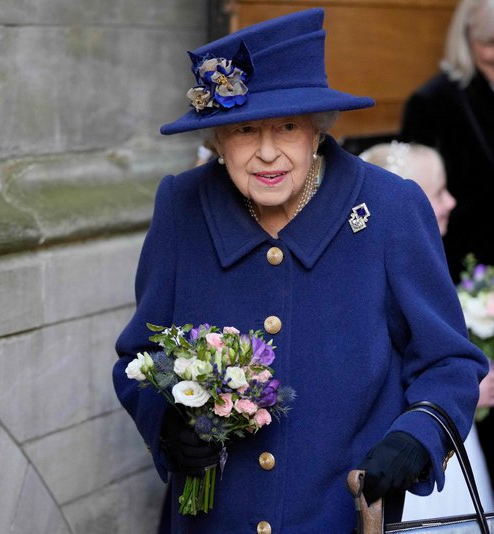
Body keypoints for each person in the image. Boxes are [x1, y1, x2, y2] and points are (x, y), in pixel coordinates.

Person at [113, 9, 489, 533]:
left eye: (287, 126)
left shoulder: (390, 210)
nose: (268, 153)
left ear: (317, 130)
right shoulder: (182, 207)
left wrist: (417, 436)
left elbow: (449, 362)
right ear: (218, 140)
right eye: (244, 130)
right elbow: (140, 357)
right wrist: (168, 423)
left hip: (342, 518)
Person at [359, 141, 494, 517]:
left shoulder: (433, 258)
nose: (451, 202)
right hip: (408, 450)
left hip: (448, 429)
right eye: (437, 193)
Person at [400, 0, 494, 493]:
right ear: (466, 39)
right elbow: (416, 212)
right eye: (488, 45)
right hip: (462, 278)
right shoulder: (434, 103)